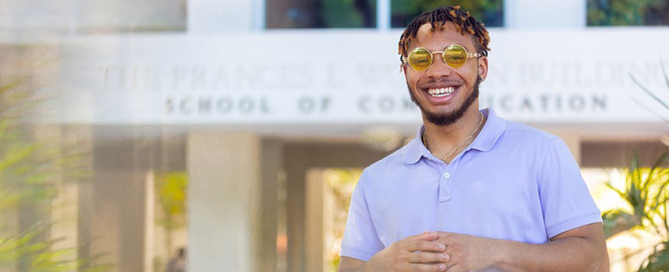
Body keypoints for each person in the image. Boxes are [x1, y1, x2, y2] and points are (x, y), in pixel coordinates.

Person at [338, 6, 609, 272]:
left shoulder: (541, 152)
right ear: (406, 72)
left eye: (455, 56)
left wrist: (493, 253)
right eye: (421, 59)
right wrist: (382, 266)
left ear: (481, 67)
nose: (437, 72)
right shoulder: (375, 180)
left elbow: (594, 260)